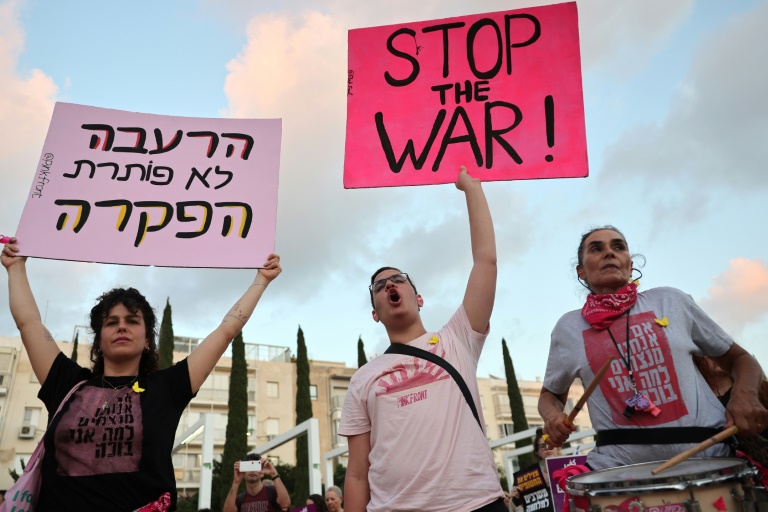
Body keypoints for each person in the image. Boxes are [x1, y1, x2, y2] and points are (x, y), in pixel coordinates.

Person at [1, 236, 281, 511]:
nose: (121, 327)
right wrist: (16, 267)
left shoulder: (168, 388)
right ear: (99, 340)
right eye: (111, 322)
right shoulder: (66, 383)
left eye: (132, 321)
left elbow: (226, 330)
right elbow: (28, 322)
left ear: (147, 340)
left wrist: (262, 280)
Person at [340, 166, 506, 512]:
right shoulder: (362, 379)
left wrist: (472, 189)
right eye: (379, 286)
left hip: (476, 503)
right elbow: (356, 474)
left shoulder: (458, 339)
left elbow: (486, 262)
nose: (389, 284)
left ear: (419, 298)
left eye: (398, 279)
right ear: (375, 314)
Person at [538, 226, 768, 470]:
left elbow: (741, 359)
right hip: (617, 472)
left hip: (710, 461)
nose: (609, 253)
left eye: (618, 247)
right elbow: (549, 395)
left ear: (630, 265)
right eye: (596, 249)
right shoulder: (568, 328)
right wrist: (553, 417)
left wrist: (745, 395)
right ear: (581, 271)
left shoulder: (671, 300)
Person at [510, 428, 563, 512]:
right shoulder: (529, 478)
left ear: (557, 448)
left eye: (550, 444)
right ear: (538, 452)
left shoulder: (570, 470)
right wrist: (518, 497)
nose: (547, 448)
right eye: (542, 446)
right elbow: (528, 506)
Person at [223, 453, 291, 512]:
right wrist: (236, 482)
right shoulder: (240, 499)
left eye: (255, 467)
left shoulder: (273, 492)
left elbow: (285, 505)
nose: (252, 471)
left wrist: (274, 474)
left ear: (262, 473)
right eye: (249, 467)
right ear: (243, 471)